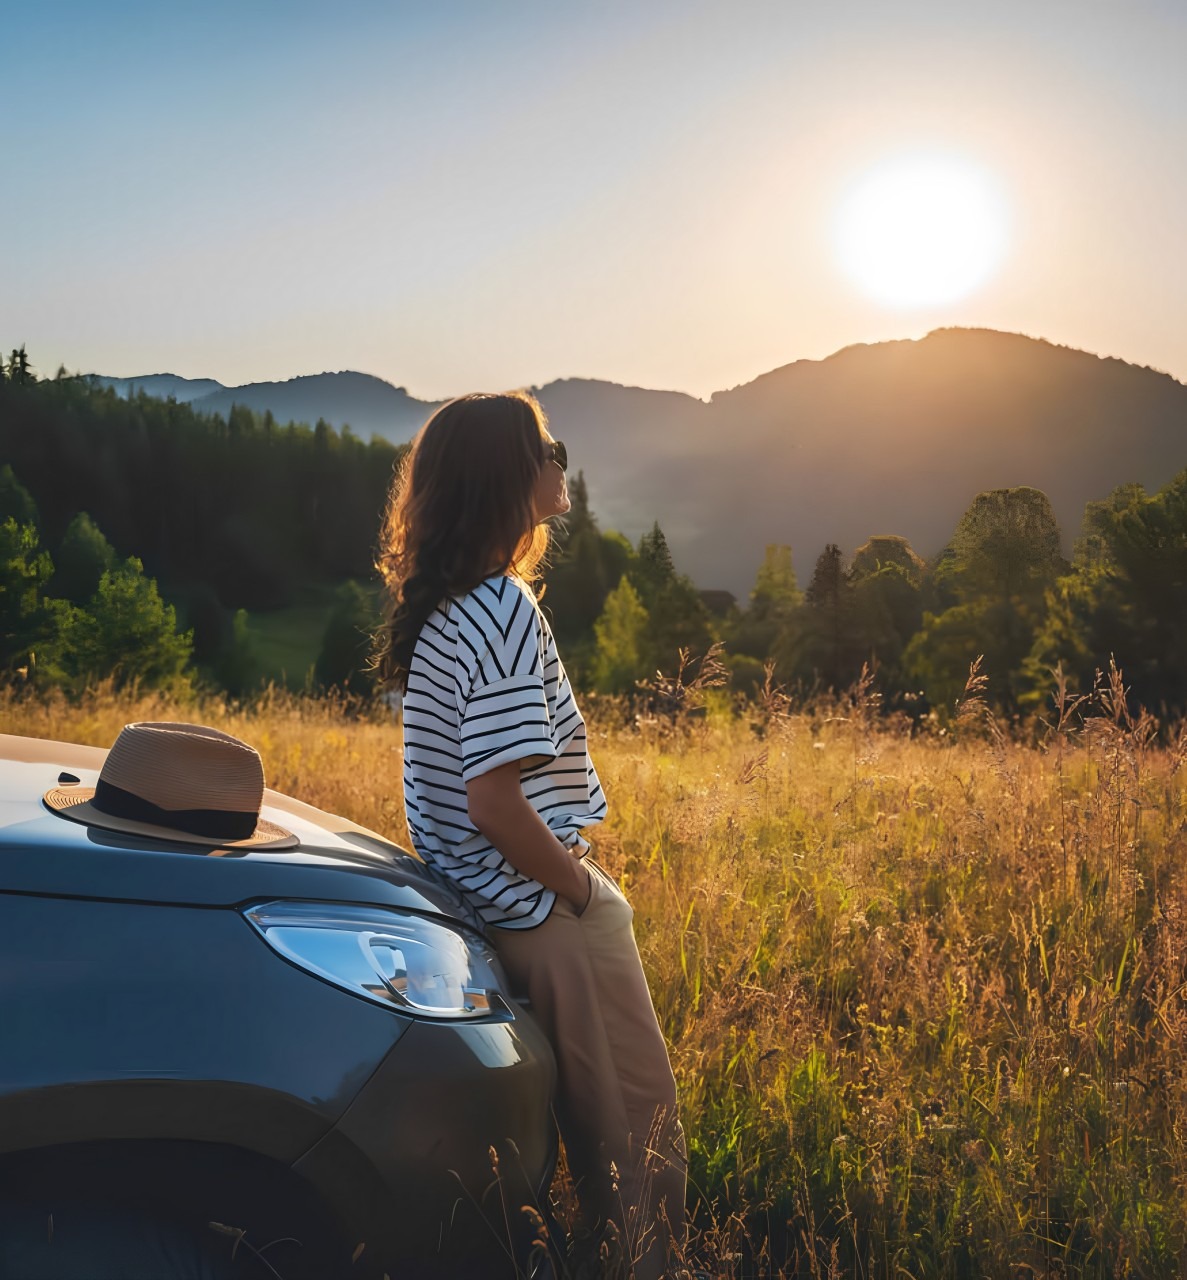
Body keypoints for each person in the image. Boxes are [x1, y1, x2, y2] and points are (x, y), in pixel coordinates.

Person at [374, 391, 686, 1278]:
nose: (560, 462)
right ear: (508, 476)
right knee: (636, 1125)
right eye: (547, 447)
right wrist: (581, 890)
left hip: (486, 906)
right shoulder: (502, 610)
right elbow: (494, 801)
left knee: (586, 1125)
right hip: (542, 907)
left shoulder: (447, 606)